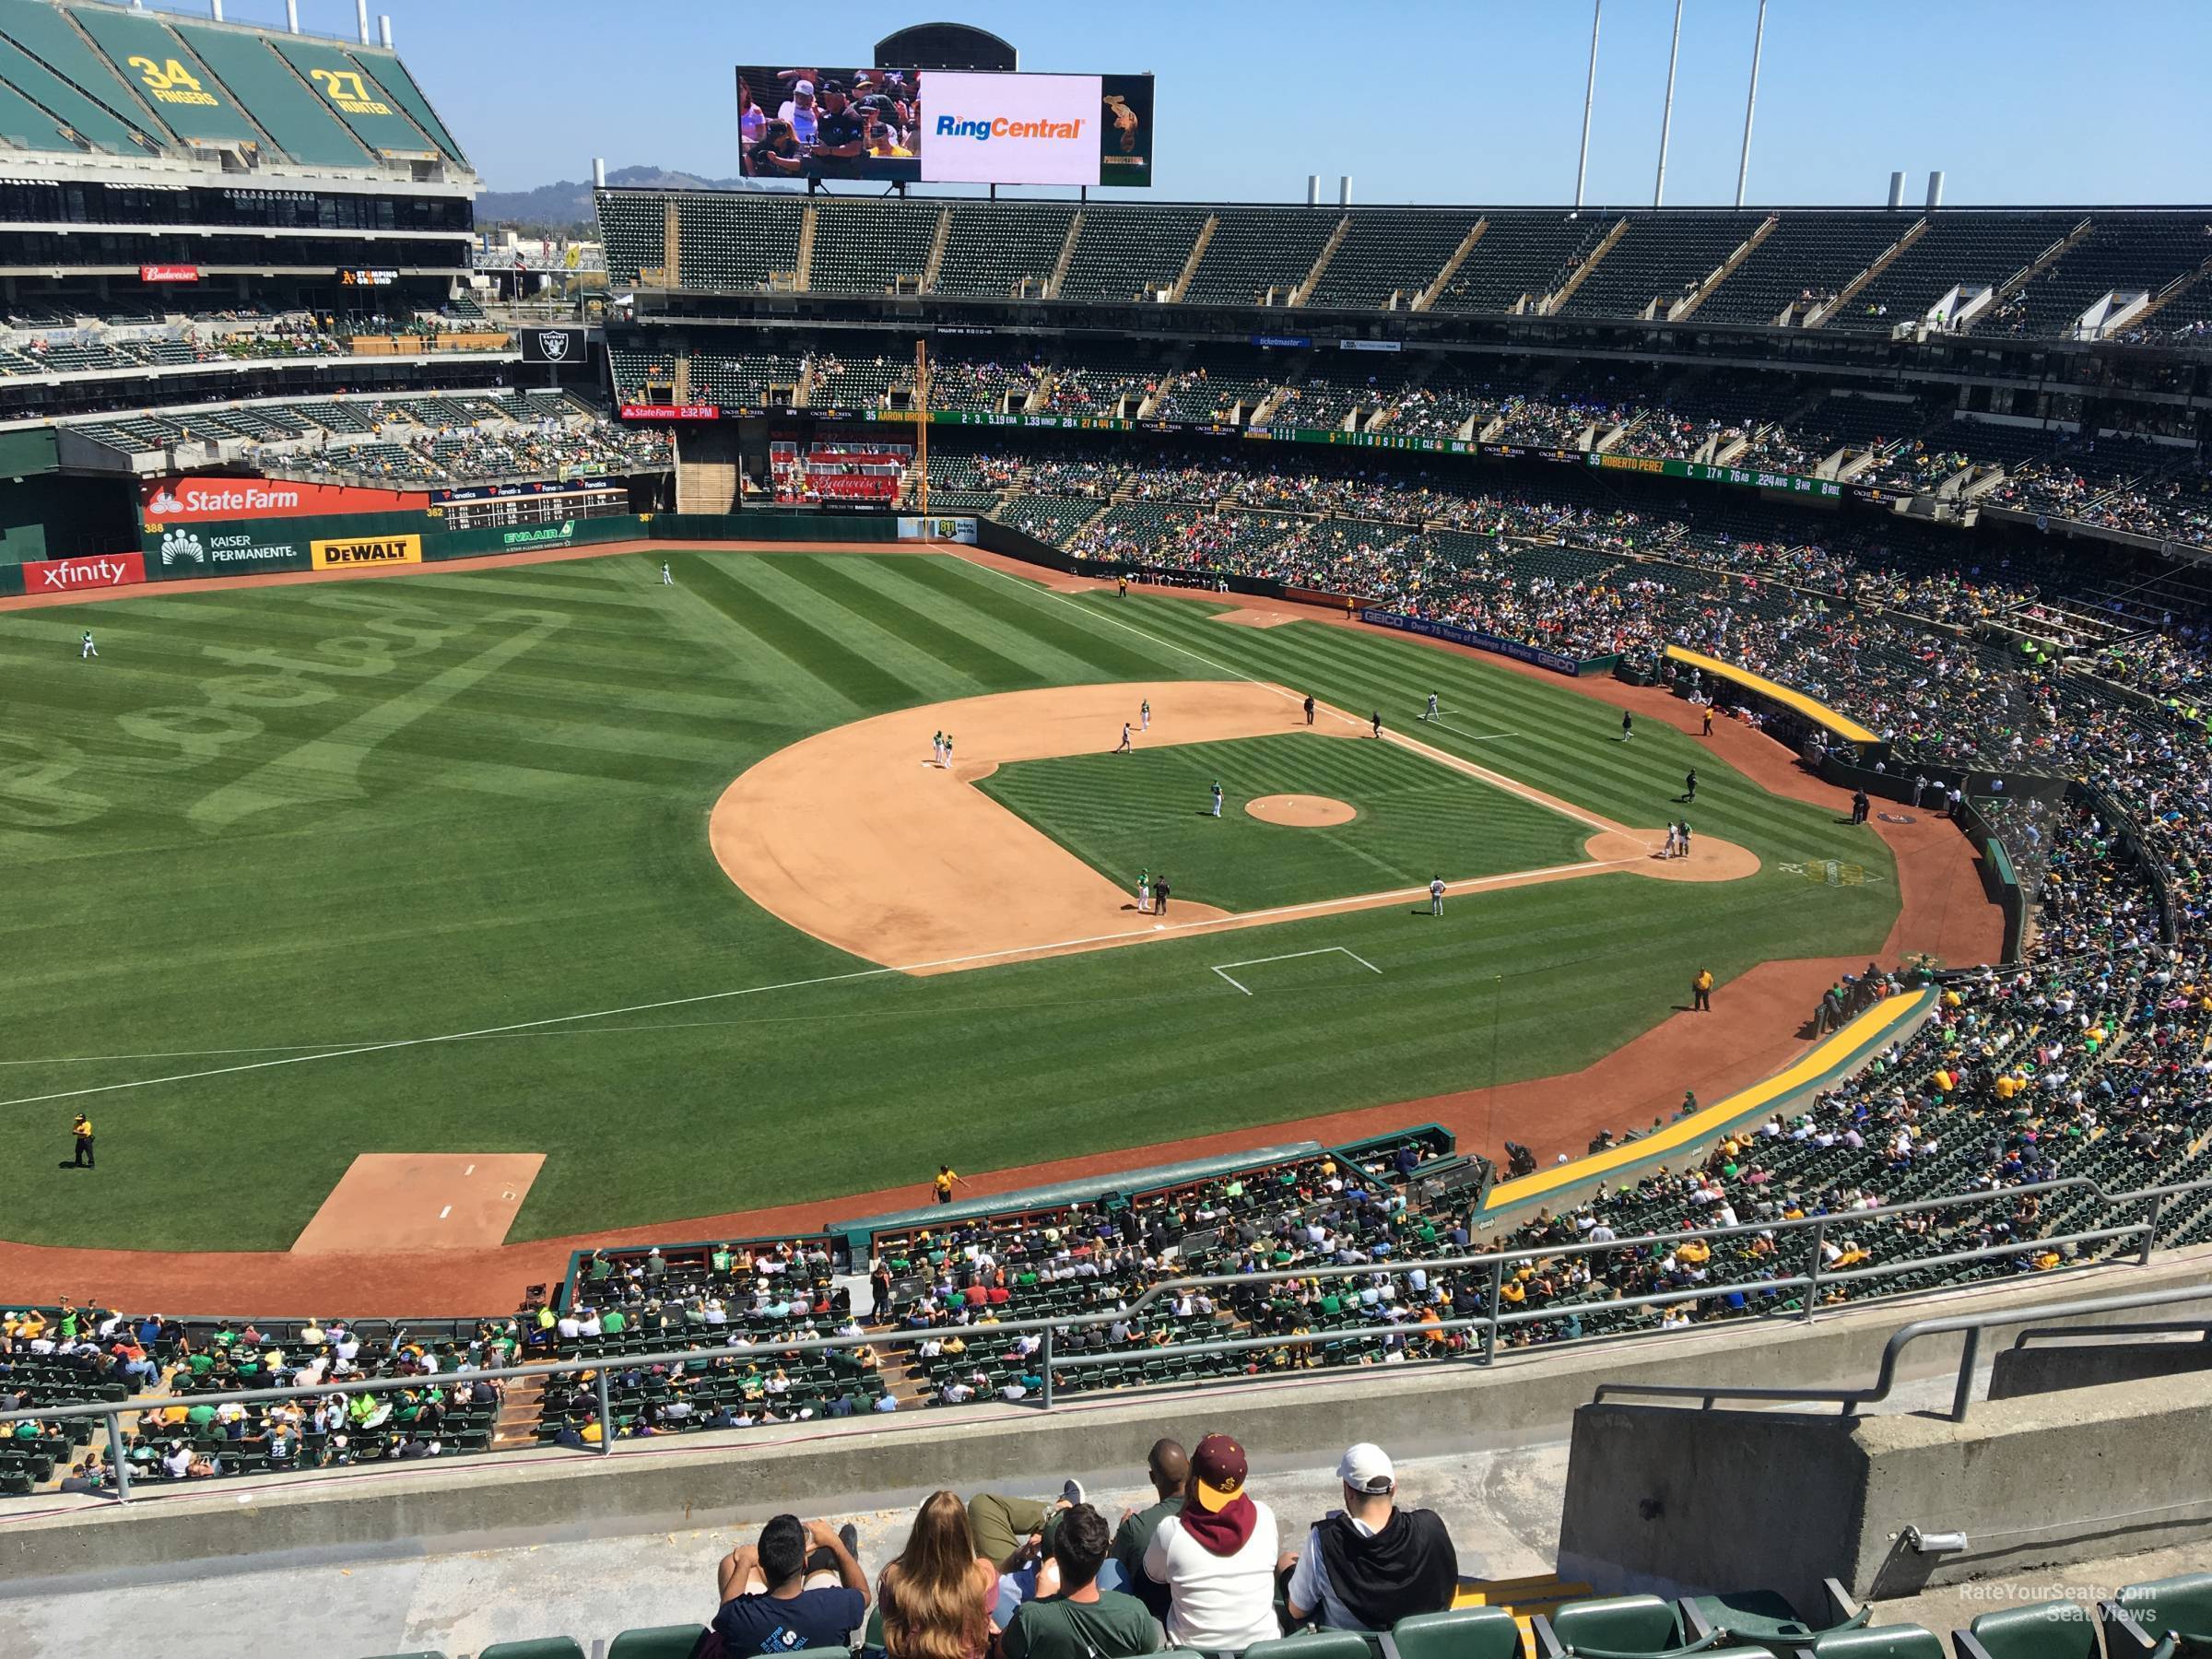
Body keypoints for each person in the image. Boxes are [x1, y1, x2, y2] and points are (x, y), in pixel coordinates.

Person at [1282, 1443, 1458, 1631]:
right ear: (1394, 1488)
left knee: (1285, 1562)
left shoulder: (1324, 1541)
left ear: (1349, 1491)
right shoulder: (1430, 1526)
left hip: (1357, 1650)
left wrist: (1289, 1572)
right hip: (1418, 1644)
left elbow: (1297, 1611)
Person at [1143, 1432, 1280, 1651]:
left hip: (1193, 1654)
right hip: (1263, 1651)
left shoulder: (1171, 1531)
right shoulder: (1265, 1516)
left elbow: (1152, 1575)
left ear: (1194, 1481)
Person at [1004, 1503, 1163, 1659]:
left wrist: (1040, 1602)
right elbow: (1149, 1650)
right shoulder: (1135, 1613)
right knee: (1114, 1566)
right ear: (1104, 1554)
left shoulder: (1030, 1618)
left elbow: (1001, 1654)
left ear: (1056, 1559)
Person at [713, 1512, 869, 1653]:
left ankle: (812, 1561)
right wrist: (836, 1544)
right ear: (804, 1563)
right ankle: (826, 1560)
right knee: (821, 1574)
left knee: (730, 1563)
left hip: (759, 1622)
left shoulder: (738, 1618)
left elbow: (726, 1609)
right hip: (820, 1616)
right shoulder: (837, 1605)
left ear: (761, 1563)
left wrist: (744, 1563)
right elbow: (864, 1595)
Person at [879, 1490, 997, 1659]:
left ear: (919, 1533)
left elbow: (887, 1617)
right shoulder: (984, 1578)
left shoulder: (894, 1580)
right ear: (964, 1534)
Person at [1112, 1440, 1188, 1621]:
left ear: (1153, 1477)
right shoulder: (1209, 1513)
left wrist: (1120, 1534)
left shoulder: (1135, 1528)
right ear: (1189, 1465)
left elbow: (1114, 1563)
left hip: (1152, 1618)